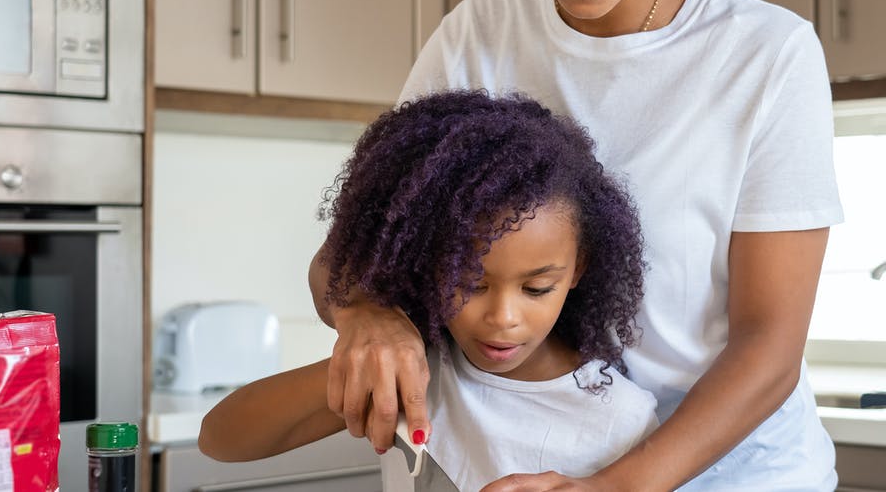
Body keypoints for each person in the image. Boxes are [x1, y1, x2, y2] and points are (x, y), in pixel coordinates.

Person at [310, 0, 844, 489]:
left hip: (738, 476)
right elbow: (350, 254)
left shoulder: (765, 52)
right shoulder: (482, 31)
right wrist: (369, 314)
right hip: (538, 465)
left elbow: (769, 346)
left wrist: (614, 488)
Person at [200, 90, 659, 490]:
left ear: (577, 270)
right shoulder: (418, 373)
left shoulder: (621, 419)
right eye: (469, 283)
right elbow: (219, 438)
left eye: (537, 288)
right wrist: (364, 364)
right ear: (425, 266)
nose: (503, 317)